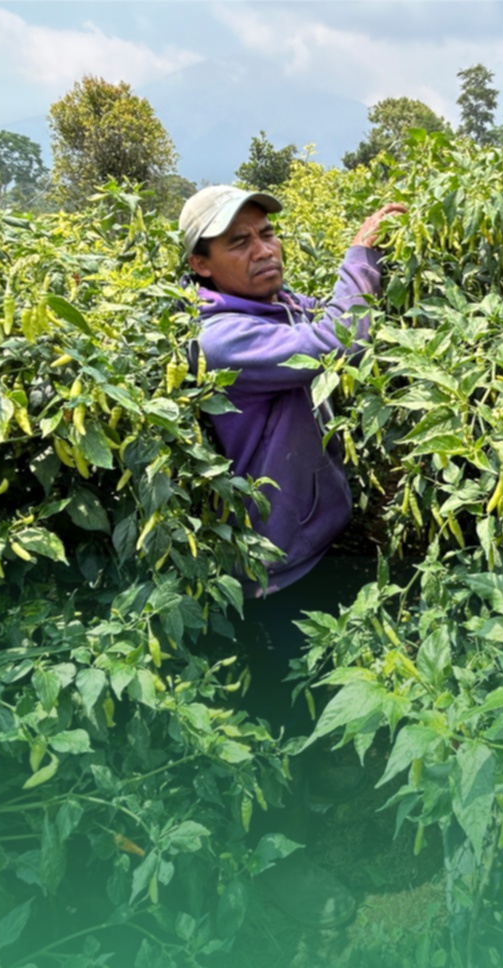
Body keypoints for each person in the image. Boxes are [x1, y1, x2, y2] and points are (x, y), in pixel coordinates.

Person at [177, 184, 407, 929]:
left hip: (311, 540)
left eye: (265, 233)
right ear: (200, 266)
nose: (264, 248)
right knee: (272, 715)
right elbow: (335, 339)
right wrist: (359, 255)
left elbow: (323, 313)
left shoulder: (269, 308)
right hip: (267, 570)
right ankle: (283, 865)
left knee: (317, 679)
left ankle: (324, 784)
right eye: (237, 242)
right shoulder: (222, 339)